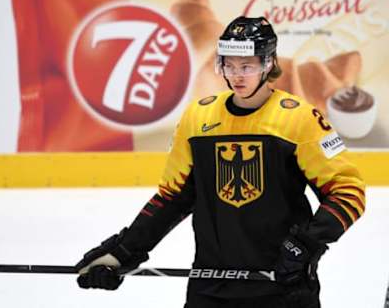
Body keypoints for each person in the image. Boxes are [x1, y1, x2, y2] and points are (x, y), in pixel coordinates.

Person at [75, 16, 366, 308]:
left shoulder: (300, 119)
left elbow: (348, 191)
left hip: (282, 287)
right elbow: (173, 198)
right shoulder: (198, 118)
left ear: (268, 64)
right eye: (229, 65)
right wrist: (122, 252)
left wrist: (305, 246)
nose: (237, 75)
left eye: (247, 66)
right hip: (211, 288)